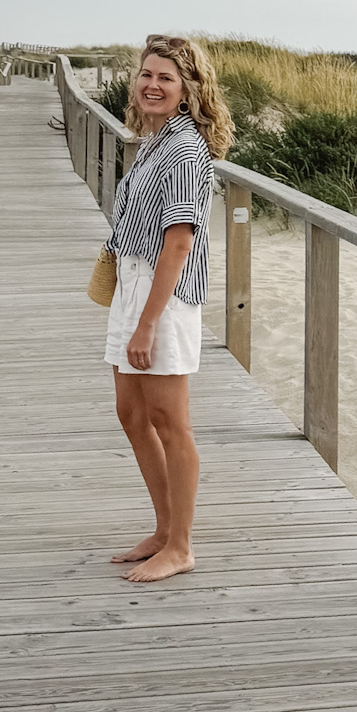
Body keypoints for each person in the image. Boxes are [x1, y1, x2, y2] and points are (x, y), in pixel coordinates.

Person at [104, 33, 234, 582]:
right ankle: (163, 529)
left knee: (169, 421)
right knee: (132, 414)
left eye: (166, 78)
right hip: (133, 285)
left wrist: (147, 323)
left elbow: (179, 243)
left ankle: (181, 546)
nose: (152, 85)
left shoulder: (183, 150)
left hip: (165, 296)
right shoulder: (155, 140)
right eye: (147, 74)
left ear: (188, 90)